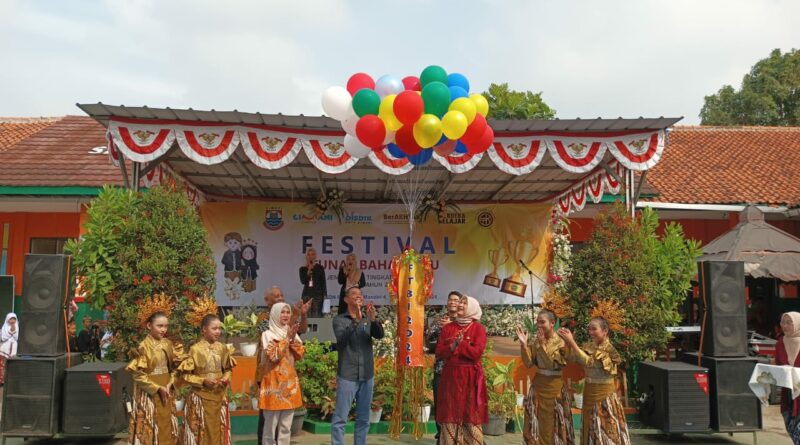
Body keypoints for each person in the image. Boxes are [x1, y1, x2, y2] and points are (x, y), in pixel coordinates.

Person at [558, 318, 629, 445]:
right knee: (590, 427)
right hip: (589, 394)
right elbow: (572, 358)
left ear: (605, 331)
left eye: (594, 329)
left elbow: (589, 362)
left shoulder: (609, 349)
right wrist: (567, 344)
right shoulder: (589, 346)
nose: (591, 332)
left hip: (604, 396)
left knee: (606, 429)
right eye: (589, 329)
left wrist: (572, 342)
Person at [255, 286, 311, 445]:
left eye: (288, 312)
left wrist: (291, 337)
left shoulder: (290, 331)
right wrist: (288, 339)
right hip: (272, 383)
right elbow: (273, 355)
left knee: (286, 427)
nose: (286, 315)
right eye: (282, 312)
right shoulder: (268, 333)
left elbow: (300, 354)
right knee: (269, 427)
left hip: (289, 385)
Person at [331, 287, 384, 445]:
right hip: (348, 374)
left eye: (360, 294)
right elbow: (341, 340)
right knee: (340, 418)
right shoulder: (339, 320)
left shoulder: (367, 319)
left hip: (367, 375)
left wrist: (373, 319)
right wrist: (355, 321)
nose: (358, 296)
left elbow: (380, 335)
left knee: (363, 419)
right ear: (346, 299)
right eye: (354, 294)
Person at [435, 295, 488, 445]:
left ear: (472, 307)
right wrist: (452, 347)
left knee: (470, 413)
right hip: (450, 377)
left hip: (470, 377)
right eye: (460, 302)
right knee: (450, 413)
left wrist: (461, 344)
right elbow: (439, 352)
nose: (460, 304)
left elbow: (476, 353)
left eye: (464, 303)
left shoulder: (478, 329)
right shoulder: (448, 328)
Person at [126, 311, 185, 445]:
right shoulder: (142, 347)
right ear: (149, 326)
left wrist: (170, 383)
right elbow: (138, 374)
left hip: (167, 389)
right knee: (149, 426)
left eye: (165, 326)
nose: (163, 329)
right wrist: (157, 388)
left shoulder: (168, 344)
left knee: (168, 426)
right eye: (159, 326)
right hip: (148, 394)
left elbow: (176, 368)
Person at [516, 310, 574, 445]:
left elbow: (552, 365)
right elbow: (529, 363)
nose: (539, 325)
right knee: (535, 422)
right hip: (538, 386)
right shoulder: (537, 341)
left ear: (552, 323)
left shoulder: (561, 342)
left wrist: (542, 345)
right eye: (537, 322)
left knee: (554, 423)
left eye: (542, 322)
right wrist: (524, 345)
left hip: (554, 388)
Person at [179, 314, 237, 445]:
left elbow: (228, 369)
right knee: (200, 431)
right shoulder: (195, 349)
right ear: (204, 329)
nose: (218, 331)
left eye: (219, 328)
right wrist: (202, 381)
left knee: (219, 429)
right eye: (214, 328)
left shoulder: (222, 348)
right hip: (200, 398)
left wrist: (225, 379)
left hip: (219, 396)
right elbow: (186, 375)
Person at [425, 291, 462, 444]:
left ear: (460, 303)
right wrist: (439, 328)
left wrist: (451, 327)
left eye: (456, 300)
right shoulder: (441, 320)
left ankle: (458, 436)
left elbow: (466, 340)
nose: (452, 302)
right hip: (441, 369)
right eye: (450, 300)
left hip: (459, 371)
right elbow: (428, 338)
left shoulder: (465, 321)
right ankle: (441, 436)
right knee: (440, 403)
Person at [776, 312, 800, 444]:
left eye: (789, 322)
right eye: (782, 322)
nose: (784, 326)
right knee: (791, 428)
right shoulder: (780, 344)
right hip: (788, 395)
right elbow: (777, 367)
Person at [299, 248, 327, 317]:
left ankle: (315, 328)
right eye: (309, 254)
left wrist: (325, 296)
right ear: (306, 257)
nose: (311, 256)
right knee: (307, 317)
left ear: (315, 256)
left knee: (317, 317)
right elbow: (303, 281)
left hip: (318, 296)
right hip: (307, 295)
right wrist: (308, 272)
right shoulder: (302, 269)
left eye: (313, 254)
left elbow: (323, 283)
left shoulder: (320, 268)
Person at [0, 313, 19, 386]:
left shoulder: (17, 327)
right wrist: (11, 331)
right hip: (4, 350)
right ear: (8, 319)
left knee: (12, 366)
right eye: (11, 319)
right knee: (2, 366)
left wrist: (14, 329)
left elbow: (17, 338)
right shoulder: (4, 328)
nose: (12, 320)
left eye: (14, 319)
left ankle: (11, 382)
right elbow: (3, 337)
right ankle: (2, 382)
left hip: (14, 350)